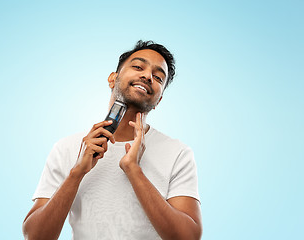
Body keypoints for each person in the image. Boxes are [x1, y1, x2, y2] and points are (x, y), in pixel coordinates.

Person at [22, 40, 202, 240]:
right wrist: (77, 172)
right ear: (112, 79)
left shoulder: (177, 153)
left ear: (158, 100)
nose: (147, 76)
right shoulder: (67, 148)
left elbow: (189, 237)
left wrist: (134, 170)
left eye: (158, 77)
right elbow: (35, 236)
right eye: (137, 67)